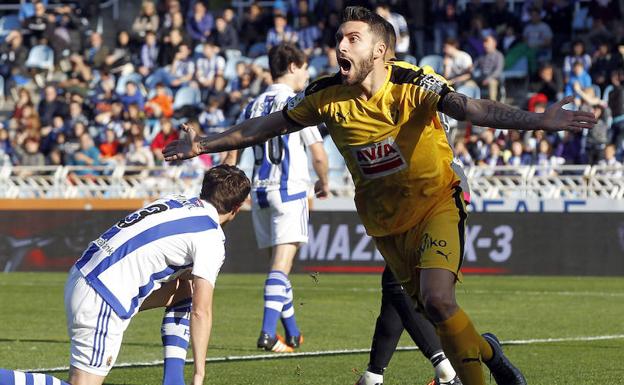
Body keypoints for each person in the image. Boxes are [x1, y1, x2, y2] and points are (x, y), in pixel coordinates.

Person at [163, 6, 596, 385]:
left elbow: (471, 108)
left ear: (380, 52)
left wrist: (540, 121)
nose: (341, 47)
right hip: (386, 222)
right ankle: (489, 353)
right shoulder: (325, 96)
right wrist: (204, 144)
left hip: (438, 200)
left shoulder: (413, 83)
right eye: (338, 39)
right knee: (435, 315)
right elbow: (268, 126)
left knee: (439, 299)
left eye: (354, 38)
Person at [0, 165, 251, 385]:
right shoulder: (211, 238)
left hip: (84, 273)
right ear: (237, 207)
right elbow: (201, 311)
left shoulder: (175, 199)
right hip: (102, 296)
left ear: (205, 189)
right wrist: (199, 374)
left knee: (185, 289)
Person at [356, 20, 461, 385]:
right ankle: (373, 374)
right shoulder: (422, 81)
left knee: (401, 288)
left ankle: (446, 370)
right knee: (394, 289)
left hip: (424, 198)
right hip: (425, 193)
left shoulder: (408, 85)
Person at [224, 43, 329, 353]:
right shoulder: (297, 102)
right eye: (306, 67)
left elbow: (232, 155)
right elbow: (319, 155)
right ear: (294, 66)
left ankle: (292, 332)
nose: (307, 74)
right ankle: (268, 334)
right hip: (289, 189)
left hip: (260, 193)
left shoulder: (251, 106)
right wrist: (323, 182)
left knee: (277, 266)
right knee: (280, 268)